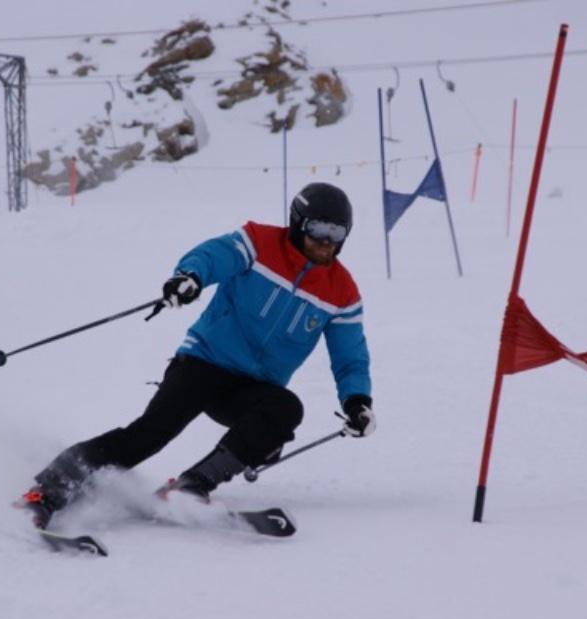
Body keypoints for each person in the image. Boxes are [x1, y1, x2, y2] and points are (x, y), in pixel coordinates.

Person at [21, 182, 376, 529]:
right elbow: (214, 255)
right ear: (299, 223)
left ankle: (190, 487)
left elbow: (350, 356)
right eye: (318, 229)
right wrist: (190, 277)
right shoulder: (260, 242)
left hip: (251, 389)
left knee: (286, 409)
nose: (326, 240)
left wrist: (357, 401)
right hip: (203, 363)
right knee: (150, 434)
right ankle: (47, 491)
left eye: (337, 231)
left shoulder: (341, 292)